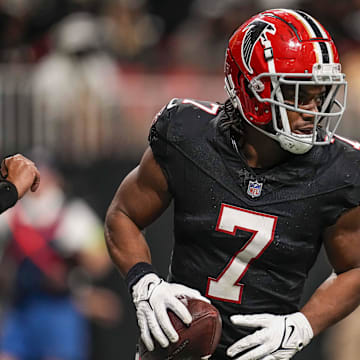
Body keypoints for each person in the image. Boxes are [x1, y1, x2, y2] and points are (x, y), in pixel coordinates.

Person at [104, 8, 360, 360]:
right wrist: (144, 283)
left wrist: (303, 325)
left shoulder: (339, 171)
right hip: (178, 349)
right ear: (254, 91)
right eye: (299, 94)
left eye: (320, 95)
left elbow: (355, 267)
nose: (313, 111)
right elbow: (123, 214)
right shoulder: (187, 136)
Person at [0, 152, 120, 360]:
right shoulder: (11, 214)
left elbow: (101, 261)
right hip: (21, 307)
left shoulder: (74, 215)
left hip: (60, 309)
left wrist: (77, 256)